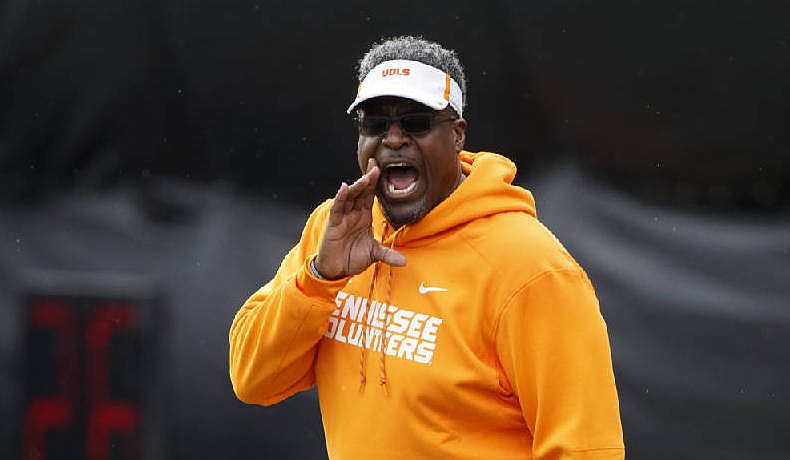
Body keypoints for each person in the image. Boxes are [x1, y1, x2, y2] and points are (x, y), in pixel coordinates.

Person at [229, 35, 624, 459]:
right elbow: (254, 379)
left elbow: (586, 448)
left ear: (457, 135)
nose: (393, 140)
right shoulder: (336, 230)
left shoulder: (530, 268)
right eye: (375, 125)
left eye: (415, 123)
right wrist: (320, 279)